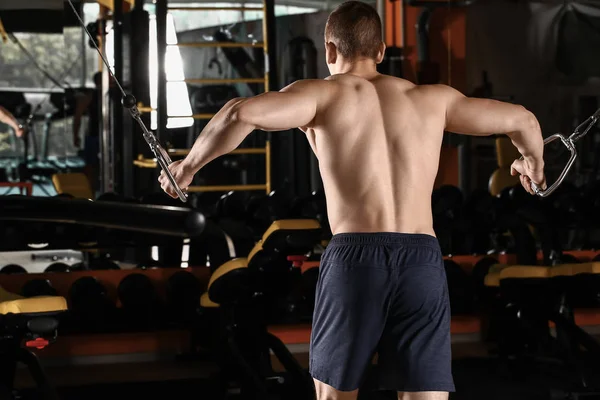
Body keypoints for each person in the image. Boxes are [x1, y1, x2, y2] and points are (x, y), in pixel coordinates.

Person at [159, 1, 546, 399]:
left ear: (329, 50)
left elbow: (239, 113)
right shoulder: (433, 99)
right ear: (380, 52)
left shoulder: (322, 96)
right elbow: (523, 120)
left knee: (335, 396)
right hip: (422, 258)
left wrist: (187, 166)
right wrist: (532, 164)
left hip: (357, 257)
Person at [73, 71, 102, 193]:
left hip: (109, 135)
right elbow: (78, 116)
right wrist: (75, 135)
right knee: (90, 165)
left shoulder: (115, 95)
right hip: (93, 134)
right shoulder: (90, 96)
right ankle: (91, 192)